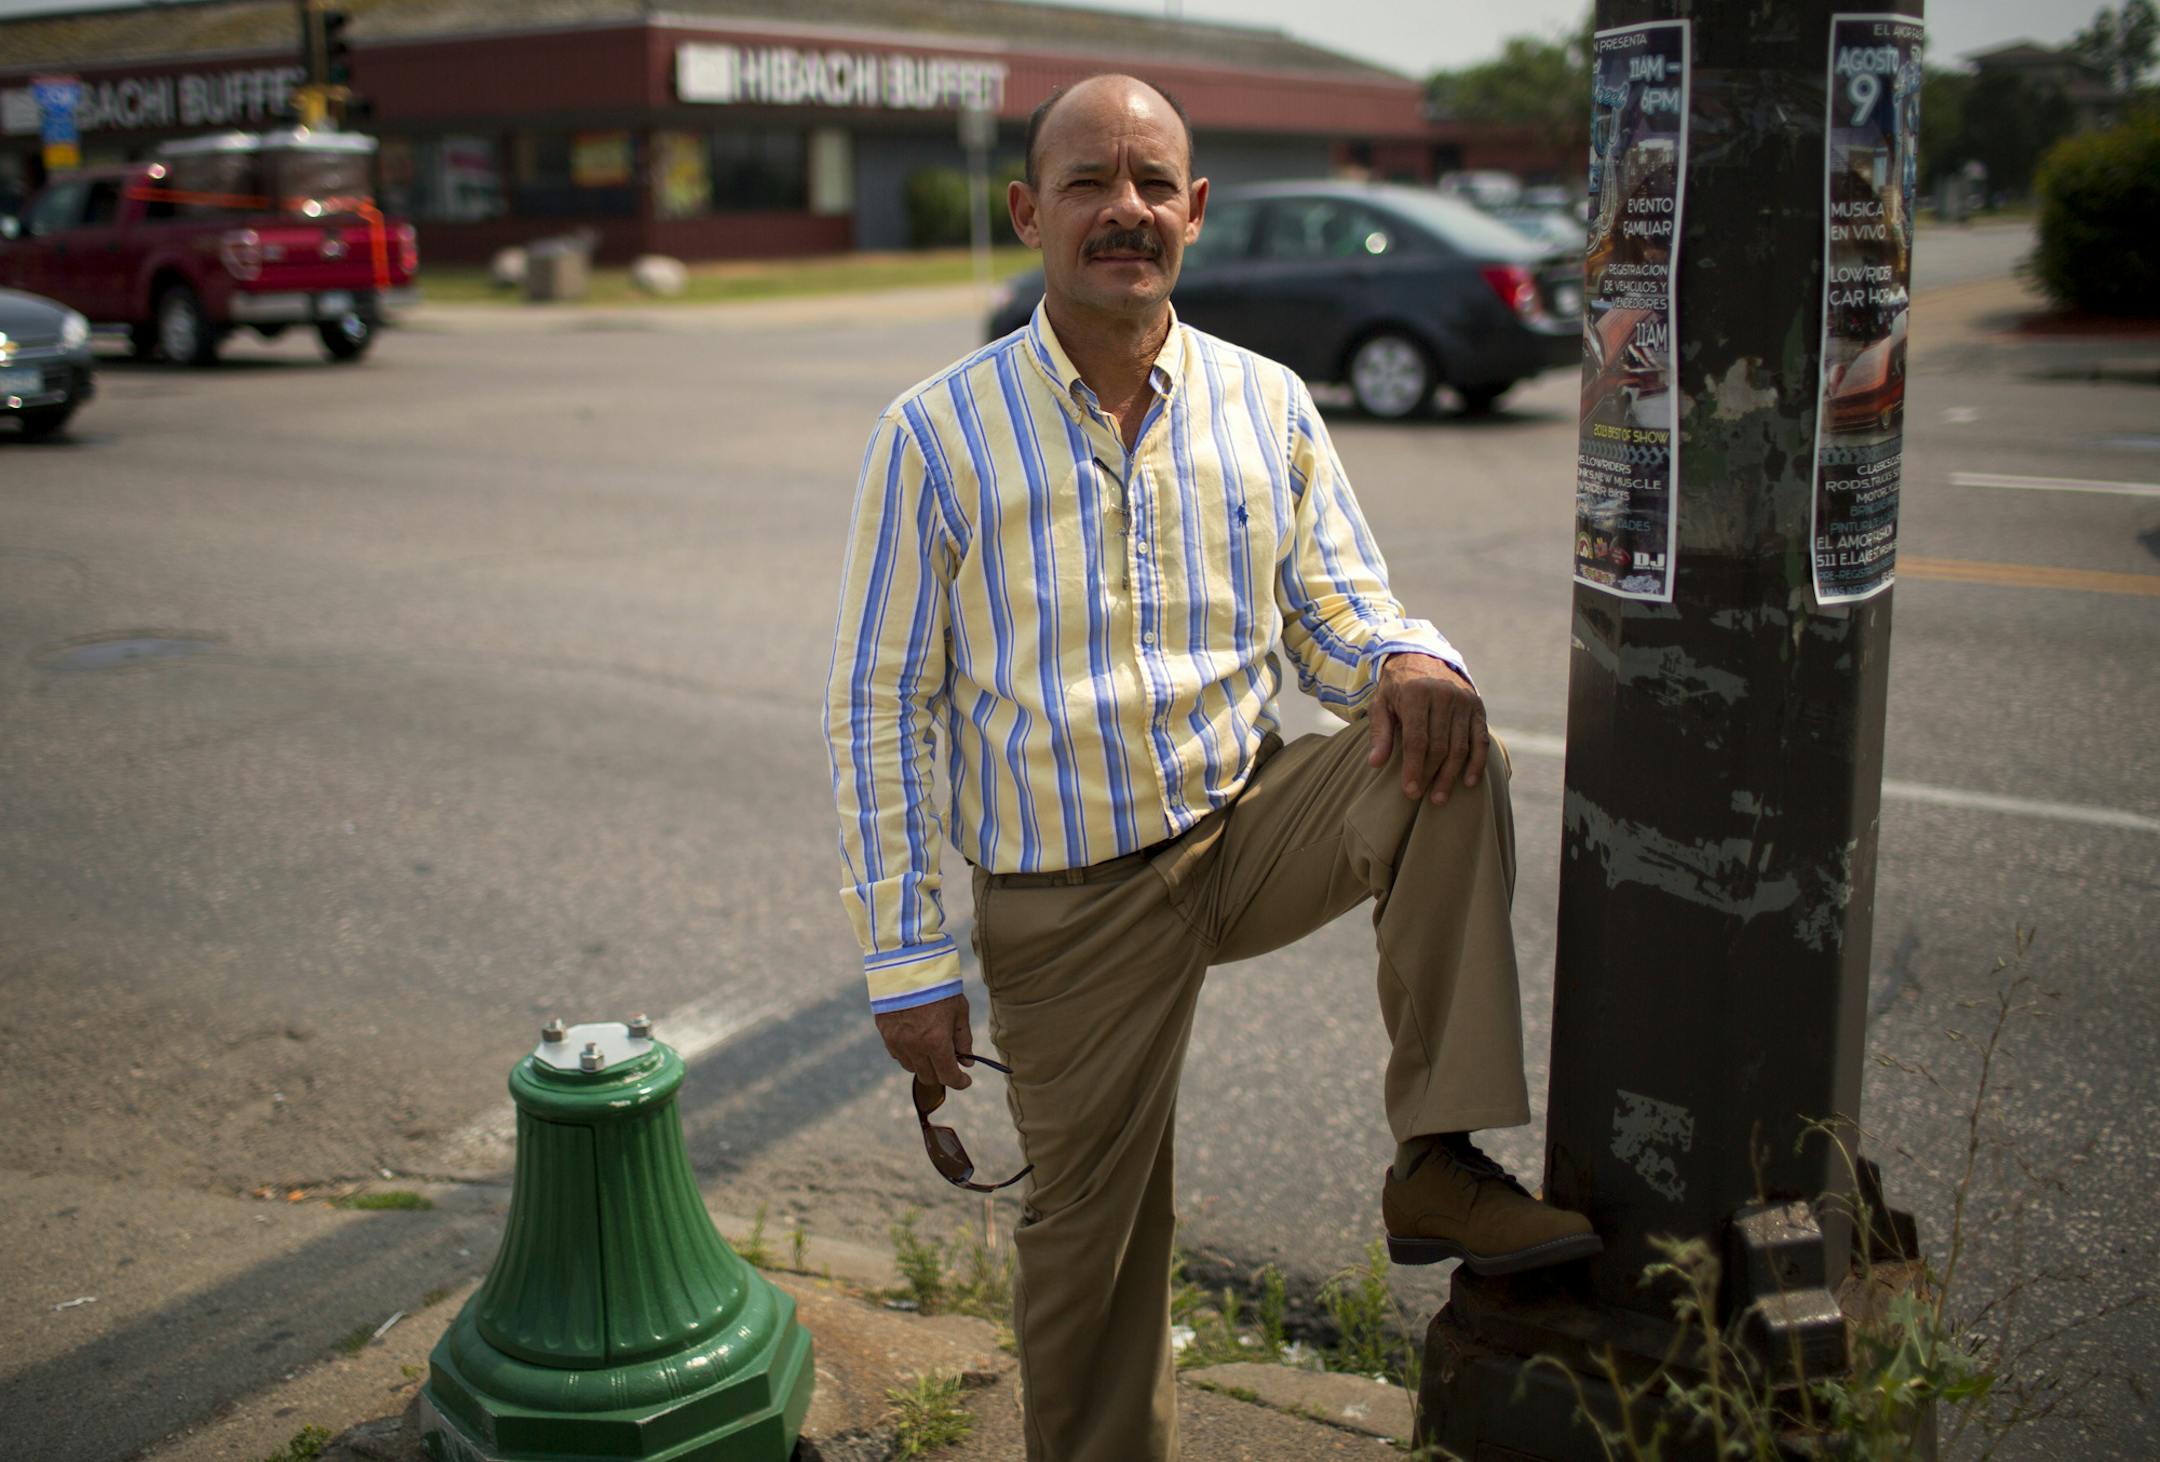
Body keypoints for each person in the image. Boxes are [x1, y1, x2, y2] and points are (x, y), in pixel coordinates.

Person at [822, 74, 1600, 1462]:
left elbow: (1337, 609)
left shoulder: (1267, 402)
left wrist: (1406, 658)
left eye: (1150, 184)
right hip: (1068, 901)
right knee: (1097, 1254)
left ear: (1192, 210)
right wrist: (907, 956)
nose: (1123, 210)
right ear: (1030, 213)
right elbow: (880, 705)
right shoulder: (935, 435)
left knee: (1444, 736)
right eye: (1088, 183)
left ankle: (1437, 1158)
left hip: (1244, 828)